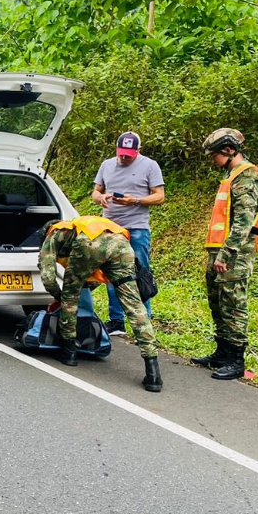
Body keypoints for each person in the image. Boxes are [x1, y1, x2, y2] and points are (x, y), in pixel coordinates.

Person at [39, 217, 163, 392]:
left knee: (70, 296)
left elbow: (48, 276)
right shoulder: (82, 223)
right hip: (122, 243)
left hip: (89, 243)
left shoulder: (54, 232)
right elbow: (97, 273)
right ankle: (153, 373)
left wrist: (61, 297)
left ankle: (69, 352)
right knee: (134, 306)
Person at [191, 128, 258, 381]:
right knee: (217, 302)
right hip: (218, 250)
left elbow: (243, 222)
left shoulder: (247, 176)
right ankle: (222, 352)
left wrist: (226, 254)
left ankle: (236, 359)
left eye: (214, 154)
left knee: (233, 304)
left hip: (234, 254)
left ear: (228, 150)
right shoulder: (231, 175)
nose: (212, 160)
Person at [89, 131, 166, 335]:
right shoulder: (106, 165)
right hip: (110, 227)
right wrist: (101, 197)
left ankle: (144, 318)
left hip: (137, 227)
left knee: (140, 271)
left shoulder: (150, 166)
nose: (124, 157)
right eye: (121, 153)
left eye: (129, 154)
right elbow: (95, 191)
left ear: (138, 151)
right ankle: (116, 320)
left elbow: (159, 197)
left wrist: (136, 200)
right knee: (111, 271)